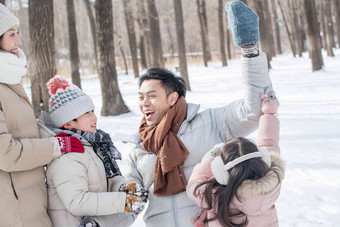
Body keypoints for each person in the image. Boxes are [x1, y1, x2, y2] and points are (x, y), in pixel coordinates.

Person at [123, 1, 274, 226]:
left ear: (172, 98)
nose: (144, 103)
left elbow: (253, 109)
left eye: (152, 96)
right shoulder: (139, 148)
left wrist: (249, 49)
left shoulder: (210, 123)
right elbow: (130, 202)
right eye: (141, 97)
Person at [0, 3, 84, 226]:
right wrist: (56, 147)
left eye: (17, 33)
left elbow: (23, 130)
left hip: (31, 202)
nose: (18, 41)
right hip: (14, 212)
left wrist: (65, 129)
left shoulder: (9, 82)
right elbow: (6, 153)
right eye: (11, 34)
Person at [38, 75, 149, 227]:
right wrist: (124, 201)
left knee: (132, 210)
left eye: (92, 111)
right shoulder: (66, 155)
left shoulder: (94, 145)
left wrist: (124, 188)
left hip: (93, 220)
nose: (94, 117)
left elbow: (109, 180)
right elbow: (76, 201)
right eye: (86, 114)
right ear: (69, 123)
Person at [186, 92, 284, 227]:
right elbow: (269, 143)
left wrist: (209, 158)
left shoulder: (216, 196)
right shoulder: (271, 186)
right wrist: (269, 114)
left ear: (221, 172)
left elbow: (194, 186)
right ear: (263, 160)